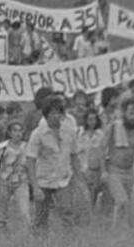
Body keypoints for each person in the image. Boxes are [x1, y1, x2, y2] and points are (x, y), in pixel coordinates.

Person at [27, 96, 89, 230]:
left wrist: (79, 179)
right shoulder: (38, 134)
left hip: (63, 178)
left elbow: (74, 156)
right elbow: (30, 160)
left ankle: (69, 245)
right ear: (46, 115)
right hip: (43, 179)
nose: (55, 116)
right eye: (52, 113)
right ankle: (40, 245)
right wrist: (35, 187)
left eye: (58, 113)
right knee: (41, 217)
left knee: (67, 212)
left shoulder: (69, 131)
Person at [99, 97, 134, 227]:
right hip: (113, 170)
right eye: (131, 113)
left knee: (126, 203)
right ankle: (120, 229)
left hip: (129, 172)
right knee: (122, 200)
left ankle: (119, 231)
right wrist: (103, 171)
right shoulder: (113, 127)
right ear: (124, 113)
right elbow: (102, 148)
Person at [0, 120, 30, 237]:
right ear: (10, 132)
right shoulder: (2, 147)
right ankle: (1, 235)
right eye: (15, 130)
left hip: (21, 181)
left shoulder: (26, 146)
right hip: (4, 181)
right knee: (1, 211)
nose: (18, 133)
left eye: (20, 131)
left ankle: (25, 236)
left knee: (24, 211)